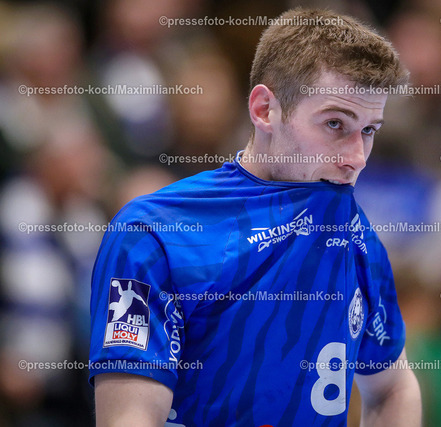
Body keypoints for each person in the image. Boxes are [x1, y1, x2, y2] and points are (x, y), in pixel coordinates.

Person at [89, 8, 421, 426]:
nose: (357, 158)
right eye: (336, 123)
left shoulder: (353, 234)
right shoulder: (151, 234)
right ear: (265, 109)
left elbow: (394, 387)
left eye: (369, 130)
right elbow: (130, 419)